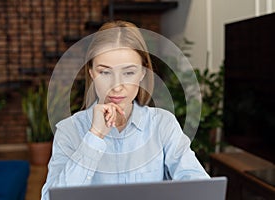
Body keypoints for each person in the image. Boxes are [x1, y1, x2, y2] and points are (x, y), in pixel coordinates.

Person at [41, 20, 209, 200]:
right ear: (91, 73)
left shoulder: (162, 124)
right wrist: (95, 136)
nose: (117, 86)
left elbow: (200, 188)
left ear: (143, 73)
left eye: (128, 72)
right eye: (105, 72)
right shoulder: (69, 130)